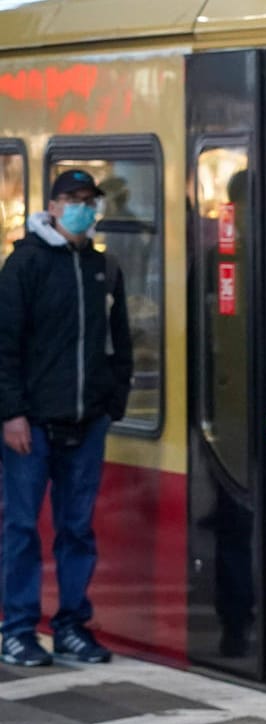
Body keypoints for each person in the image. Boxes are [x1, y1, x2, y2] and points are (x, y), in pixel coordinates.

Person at [0, 168, 132, 666]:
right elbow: (4, 346)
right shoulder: (25, 266)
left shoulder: (104, 268)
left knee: (77, 529)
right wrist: (11, 413)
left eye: (89, 200)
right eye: (73, 199)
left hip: (87, 422)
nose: (82, 207)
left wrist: (112, 402)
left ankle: (72, 624)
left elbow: (120, 343)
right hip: (31, 425)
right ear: (52, 207)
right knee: (22, 528)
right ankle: (17, 629)